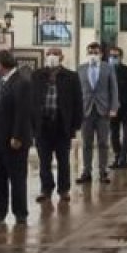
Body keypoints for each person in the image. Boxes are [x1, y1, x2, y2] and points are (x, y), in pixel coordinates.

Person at [0, 50, 33, 226]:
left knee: (17, 178)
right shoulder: (0, 82)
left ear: (0, 64)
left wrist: (17, 136)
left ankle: (20, 212)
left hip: (14, 141)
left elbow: (23, 112)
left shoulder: (21, 82)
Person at [31, 47, 82, 203]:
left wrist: (75, 125)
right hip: (43, 125)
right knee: (44, 161)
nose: (52, 56)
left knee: (63, 160)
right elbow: (30, 100)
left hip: (62, 124)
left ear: (61, 57)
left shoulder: (71, 77)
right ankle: (46, 189)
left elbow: (77, 102)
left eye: (56, 54)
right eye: (49, 54)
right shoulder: (37, 75)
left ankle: (64, 190)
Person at [76, 41, 119, 185]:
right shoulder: (80, 69)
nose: (93, 55)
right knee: (86, 143)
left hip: (103, 111)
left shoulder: (108, 68)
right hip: (85, 110)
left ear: (101, 54)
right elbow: (77, 91)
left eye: (96, 53)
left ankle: (103, 171)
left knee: (103, 143)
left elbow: (113, 89)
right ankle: (86, 171)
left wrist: (114, 107)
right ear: (87, 54)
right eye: (90, 52)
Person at [107, 46, 127, 170]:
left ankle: (124, 158)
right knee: (114, 134)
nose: (113, 58)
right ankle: (116, 156)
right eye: (111, 56)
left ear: (121, 57)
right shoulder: (105, 70)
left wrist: (122, 98)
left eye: (116, 56)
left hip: (126, 108)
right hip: (111, 108)